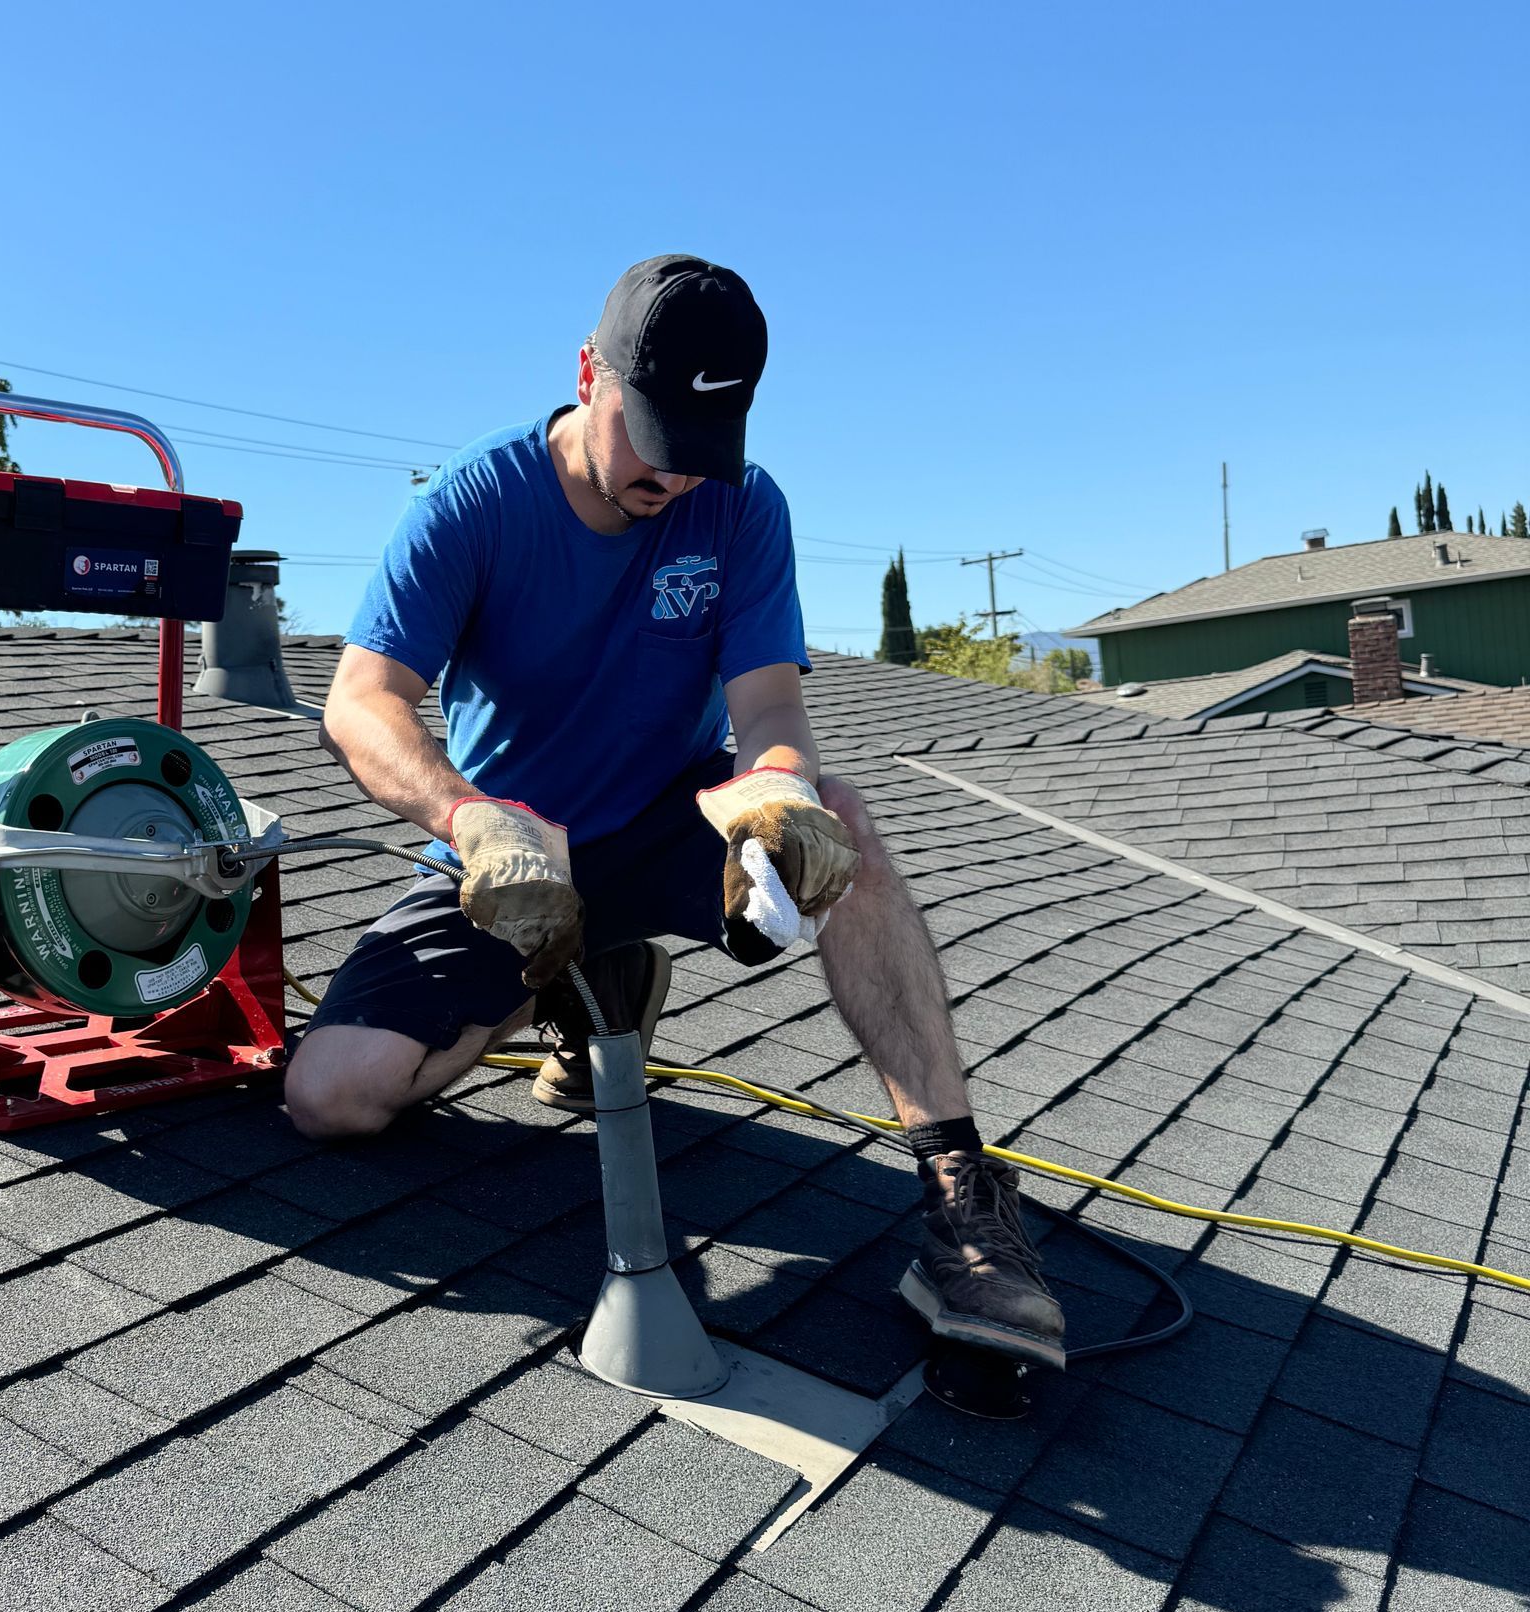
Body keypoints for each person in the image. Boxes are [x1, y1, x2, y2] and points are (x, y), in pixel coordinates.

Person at [284, 255, 1064, 1368]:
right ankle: (587, 975)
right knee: (331, 1098)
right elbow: (361, 701)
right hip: (513, 847)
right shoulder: (476, 500)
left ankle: (962, 1193)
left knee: (843, 827)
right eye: (648, 436)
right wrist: (470, 822)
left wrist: (779, 802)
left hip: (665, 823)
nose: (673, 479)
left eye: (699, 450)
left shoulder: (741, 506)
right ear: (587, 371)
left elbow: (771, 706)